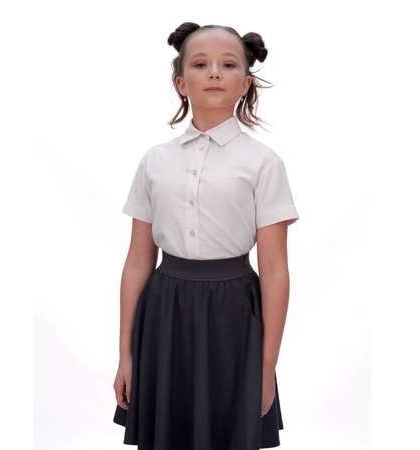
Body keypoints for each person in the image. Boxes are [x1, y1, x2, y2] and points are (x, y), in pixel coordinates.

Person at [112, 22, 300, 450]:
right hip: (164, 314)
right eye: (200, 64)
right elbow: (138, 260)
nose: (214, 72)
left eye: (228, 64)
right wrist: (125, 354)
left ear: (245, 83)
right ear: (181, 83)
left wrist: (266, 368)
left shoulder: (263, 163)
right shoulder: (154, 162)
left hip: (233, 314)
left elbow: (274, 270)